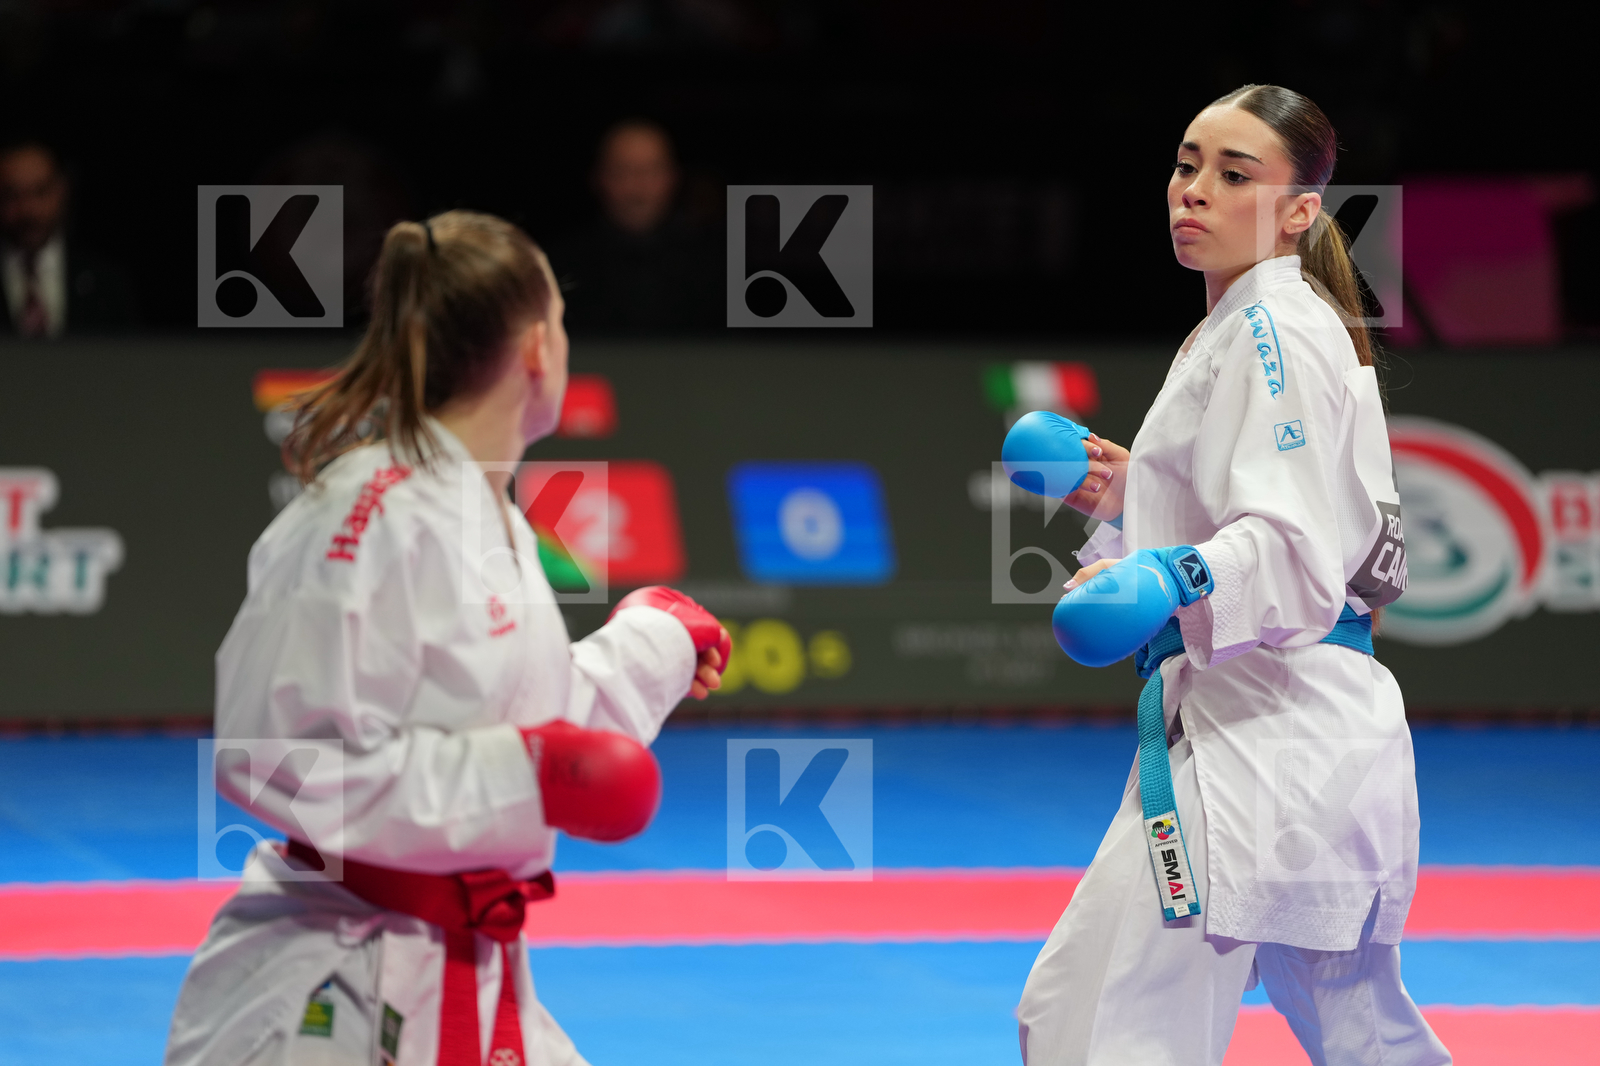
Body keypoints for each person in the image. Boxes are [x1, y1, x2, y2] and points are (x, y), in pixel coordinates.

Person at [165, 210, 729, 1066]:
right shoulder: (365, 514)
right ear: (537, 347)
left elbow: (518, 719)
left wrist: (652, 647)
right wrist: (526, 772)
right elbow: (275, 753)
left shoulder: (483, 507)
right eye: (562, 320)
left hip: (461, 960)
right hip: (335, 982)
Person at [1014, 86, 1448, 1065]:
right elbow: (1290, 520)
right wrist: (1131, 495)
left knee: (1101, 1023)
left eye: (1234, 173)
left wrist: (1167, 574)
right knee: (1357, 1030)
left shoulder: (1272, 328)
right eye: (1186, 164)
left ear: (1299, 211)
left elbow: (1295, 550)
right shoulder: (1247, 322)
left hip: (1268, 736)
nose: (1194, 189)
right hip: (1286, 727)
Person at [549, 120, 720, 333]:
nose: (639, 188)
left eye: (652, 170)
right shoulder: (558, 270)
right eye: (622, 171)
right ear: (598, 178)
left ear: (674, 178)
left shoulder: (718, 268)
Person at [0, 141, 136, 337]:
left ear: (62, 189)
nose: (28, 210)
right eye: (12, 195)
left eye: (40, 191)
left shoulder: (106, 283)